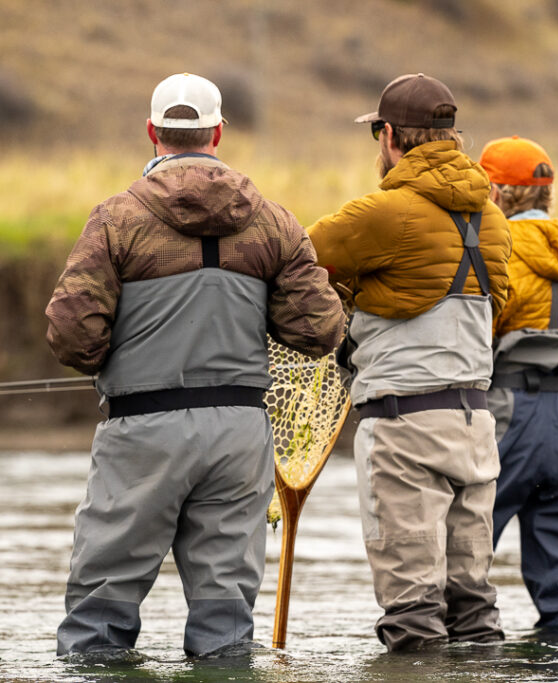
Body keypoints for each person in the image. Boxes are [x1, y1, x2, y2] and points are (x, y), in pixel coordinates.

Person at [45, 73, 346, 660]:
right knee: (226, 622)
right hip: (239, 439)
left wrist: (125, 351)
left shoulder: (116, 219)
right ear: (218, 133)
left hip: (142, 432)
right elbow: (318, 331)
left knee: (99, 620)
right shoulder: (274, 223)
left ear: (153, 132)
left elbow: (71, 334)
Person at [307, 73, 512, 651]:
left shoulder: (383, 213)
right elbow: (505, 301)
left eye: (377, 134)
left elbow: (294, 257)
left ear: (390, 136)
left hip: (402, 429)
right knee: (473, 609)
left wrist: (344, 300)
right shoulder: (493, 220)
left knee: (413, 616)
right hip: (476, 429)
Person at [478, 135, 558, 629]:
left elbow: (479, 328)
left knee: (464, 558)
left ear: (500, 192)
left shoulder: (498, 247)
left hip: (509, 413)